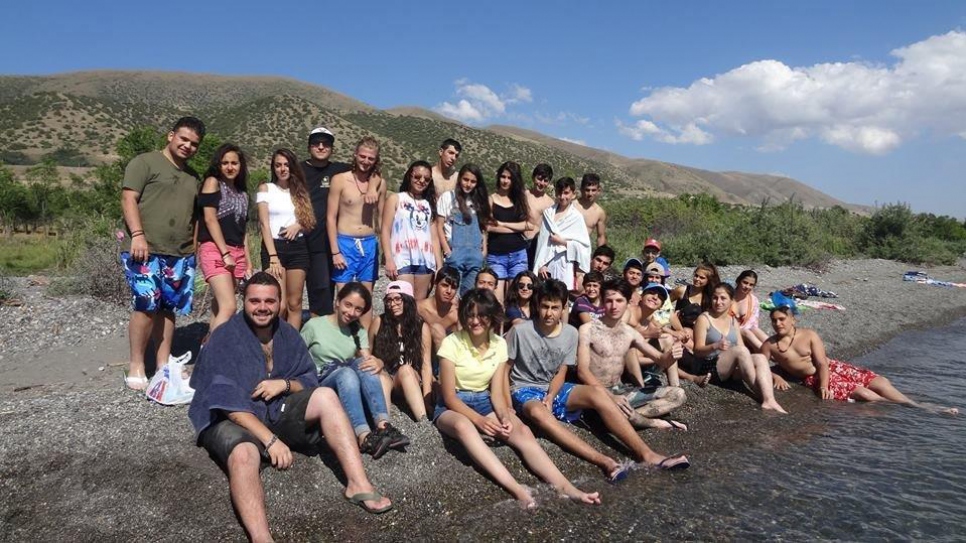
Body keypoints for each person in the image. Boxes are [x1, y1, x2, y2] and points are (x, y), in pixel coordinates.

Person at [188, 272, 393, 542]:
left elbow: (307, 379)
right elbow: (228, 403)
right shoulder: (225, 336)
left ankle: (358, 483)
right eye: (255, 301)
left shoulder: (286, 333)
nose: (262, 307)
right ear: (244, 301)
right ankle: (262, 538)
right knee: (244, 454)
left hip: (274, 408)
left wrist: (283, 385)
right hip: (230, 417)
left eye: (269, 301)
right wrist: (270, 440)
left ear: (280, 302)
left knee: (326, 396)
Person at [434, 288, 601, 508]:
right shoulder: (452, 343)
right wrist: (480, 421)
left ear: (491, 316)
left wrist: (504, 414)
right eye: (470, 315)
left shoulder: (499, 344)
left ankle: (567, 488)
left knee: (521, 430)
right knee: (465, 427)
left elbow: (495, 391)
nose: (475, 321)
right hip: (453, 405)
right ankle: (517, 489)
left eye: (481, 315)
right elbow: (449, 397)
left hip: (484, 399)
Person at [509, 280, 689, 480]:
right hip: (526, 389)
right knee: (539, 411)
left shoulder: (571, 333)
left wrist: (551, 395)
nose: (549, 313)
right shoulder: (524, 331)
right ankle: (604, 460)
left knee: (603, 394)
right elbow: (504, 371)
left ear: (563, 308)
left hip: (563, 388)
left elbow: (561, 371)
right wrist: (505, 407)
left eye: (555, 307)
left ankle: (647, 454)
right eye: (545, 306)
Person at [120, 116, 205, 390]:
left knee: (169, 308)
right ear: (171, 135)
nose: (187, 146)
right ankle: (136, 364)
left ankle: (163, 363)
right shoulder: (144, 162)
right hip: (145, 248)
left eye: (194, 144)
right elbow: (128, 198)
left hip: (180, 253)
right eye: (183, 139)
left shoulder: (193, 177)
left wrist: (195, 249)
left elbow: (195, 217)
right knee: (146, 305)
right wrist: (137, 235)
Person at [762, 307, 958, 414]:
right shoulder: (770, 344)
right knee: (865, 394)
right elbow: (759, 365)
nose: (778, 323)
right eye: (774, 320)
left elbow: (822, 363)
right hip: (811, 378)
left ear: (792, 320)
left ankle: (916, 404)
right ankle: (907, 407)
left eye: (782, 319)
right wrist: (775, 376)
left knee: (880, 382)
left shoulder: (809, 335)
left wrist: (824, 386)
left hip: (829, 369)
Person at [301, 283, 410, 459]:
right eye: (348, 305)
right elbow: (297, 356)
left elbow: (367, 359)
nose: (351, 312)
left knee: (364, 365)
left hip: (346, 376)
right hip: (322, 380)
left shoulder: (357, 330)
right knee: (347, 373)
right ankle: (363, 436)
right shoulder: (314, 326)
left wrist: (378, 362)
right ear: (337, 302)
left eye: (358, 309)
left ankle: (384, 427)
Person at [578, 279, 690, 431]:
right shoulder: (587, 330)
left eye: (619, 301)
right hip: (596, 395)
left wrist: (672, 355)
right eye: (609, 301)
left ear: (626, 303)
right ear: (602, 302)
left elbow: (660, 359)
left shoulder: (629, 332)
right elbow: (583, 371)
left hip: (621, 391)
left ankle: (629, 418)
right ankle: (646, 422)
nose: (614, 305)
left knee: (678, 394)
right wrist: (610, 397)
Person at [690, 283, 787, 413]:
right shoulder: (704, 319)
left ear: (731, 301)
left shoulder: (732, 320)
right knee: (740, 351)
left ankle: (769, 399)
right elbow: (697, 351)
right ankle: (762, 395)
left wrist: (773, 374)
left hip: (730, 368)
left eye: (723, 298)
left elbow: (743, 349)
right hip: (708, 368)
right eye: (715, 298)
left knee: (760, 357)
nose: (718, 302)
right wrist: (715, 346)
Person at [327, 136, 386, 328]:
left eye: (370, 158)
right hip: (345, 242)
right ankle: (340, 343)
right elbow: (330, 218)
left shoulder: (379, 184)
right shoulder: (340, 180)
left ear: (375, 160)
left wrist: (385, 250)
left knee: (366, 298)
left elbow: (384, 219)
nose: (366, 161)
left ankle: (364, 344)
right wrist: (335, 251)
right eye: (363, 156)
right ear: (355, 155)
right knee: (344, 298)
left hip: (369, 243)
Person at [257, 149, 314, 331]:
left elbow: (309, 221)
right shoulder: (266, 188)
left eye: (286, 165)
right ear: (273, 168)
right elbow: (264, 224)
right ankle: (270, 341)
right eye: (278, 165)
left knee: (295, 303)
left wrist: (298, 225)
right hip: (274, 248)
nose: (283, 169)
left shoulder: (300, 191)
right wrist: (273, 256)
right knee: (278, 304)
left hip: (298, 248)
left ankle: (291, 342)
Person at [197, 143, 251, 334]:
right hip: (216, 249)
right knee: (229, 307)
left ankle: (208, 347)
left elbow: (243, 232)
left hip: (237, 252)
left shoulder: (243, 193)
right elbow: (210, 219)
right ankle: (216, 353)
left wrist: (247, 262)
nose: (230, 167)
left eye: (234, 163)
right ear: (218, 165)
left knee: (219, 305)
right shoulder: (212, 183)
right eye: (225, 163)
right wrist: (225, 253)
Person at [301, 127, 351, 318]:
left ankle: (328, 333)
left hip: (332, 240)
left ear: (332, 148)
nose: (321, 147)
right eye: (316, 143)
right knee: (312, 289)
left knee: (330, 288)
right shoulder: (298, 169)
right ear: (309, 147)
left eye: (326, 144)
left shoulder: (340, 170)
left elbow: (370, 170)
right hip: (305, 240)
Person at [370, 281, 434, 421]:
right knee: (381, 376)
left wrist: (427, 396)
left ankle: (424, 421)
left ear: (407, 300)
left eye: (398, 299)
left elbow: (426, 365)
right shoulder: (379, 322)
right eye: (389, 300)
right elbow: (368, 353)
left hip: (408, 378)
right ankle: (384, 426)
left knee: (405, 369)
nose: (393, 304)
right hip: (385, 376)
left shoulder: (421, 327)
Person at [381, 160, 442, 300]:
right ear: (410, 176)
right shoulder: (395, 199)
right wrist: (389, 259)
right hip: (402, 259)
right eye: (417, 177)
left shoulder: (430, 204)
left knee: (419, 306)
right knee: (404, 303)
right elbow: (385, 229)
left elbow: (434, 237)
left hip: (425, 261)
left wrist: (439, 266)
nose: (421, 181)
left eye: (426, 179)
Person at [437, 163, 491, 296]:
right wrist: (447, 251)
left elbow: (483, 227)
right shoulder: (448, 197)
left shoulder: (479, 201)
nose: (468, 184)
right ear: (460, 178)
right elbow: (439, 226)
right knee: (451, 296)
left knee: (469, 297)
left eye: (473, 181)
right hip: (455, 254)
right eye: (466, 179)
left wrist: (483, 250)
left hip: (475, 256)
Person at [532, 177, 591, 291]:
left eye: (566, 193)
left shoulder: (576, 217)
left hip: (566, 263)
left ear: (573, 194)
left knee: (563, 296)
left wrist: (563, 242)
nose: (562, 197)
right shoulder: (548, 214)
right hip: (547, 265)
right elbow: (542, 244)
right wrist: (541, 264)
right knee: (545, 295)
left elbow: (584, 247)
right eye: (560, 193)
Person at [486, 161, 531, 303]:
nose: (505, 181)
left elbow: (527, 225)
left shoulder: (520, 200)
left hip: (518, 254)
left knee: (516, 301)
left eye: (509, 178)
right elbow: (489, 227)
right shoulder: (491, 199)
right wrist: (515, 227)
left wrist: (503, 224)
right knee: (496, 301)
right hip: (496, 255)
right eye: (503, 177)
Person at [417, 267, 461, 352]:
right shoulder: (419, 308)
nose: (448, 291)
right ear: (436, 283)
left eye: (453, 288)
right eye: (445, 285)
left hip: (445, 357)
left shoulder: (456, 314)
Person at [524, 164, 555, 269]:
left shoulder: (550, 203)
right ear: (533, 177)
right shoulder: (524, 196)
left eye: (545, 181)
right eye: (539, 179)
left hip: (536, 245)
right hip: (519, 240)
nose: (541, 183)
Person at [731, 270, 769, 351]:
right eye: (745, 282)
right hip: (729, 331)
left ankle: (776, 350)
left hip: (746, 330)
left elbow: (753, 324)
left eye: (751, 285)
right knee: (747, 332)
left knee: (756, 330)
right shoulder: (728, 297)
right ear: (738, 281)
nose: (747, 286)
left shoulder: (753, 300)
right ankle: (767, 353)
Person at [574, 173, 607, 247]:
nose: (590, 193)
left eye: (593, 190)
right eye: (587, 190)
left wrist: (601, 253)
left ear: (598, 190)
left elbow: (601, 236)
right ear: (581, 189)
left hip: (583, 251)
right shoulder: (571, 206)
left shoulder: (599, 213)